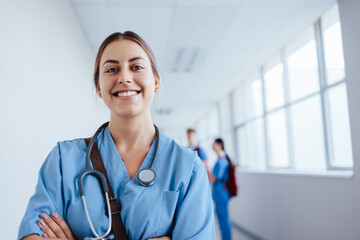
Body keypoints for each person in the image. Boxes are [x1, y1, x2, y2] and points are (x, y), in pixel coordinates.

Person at [18, 31, 215, 240]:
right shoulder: (62, 160)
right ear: (99, 88)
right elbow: (33, 234)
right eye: (112, 69)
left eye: (136, 67)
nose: (124, 77)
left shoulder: (187, 168)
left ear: (156, 81)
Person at [211, 138, 232, 240]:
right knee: (222, 220)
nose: (212, 145)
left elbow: (215, 177)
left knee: (224, 221)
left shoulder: (222, 161)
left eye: (214, 144)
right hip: (219, 195)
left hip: (221, 195)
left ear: (219, 145)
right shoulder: (221, 159)